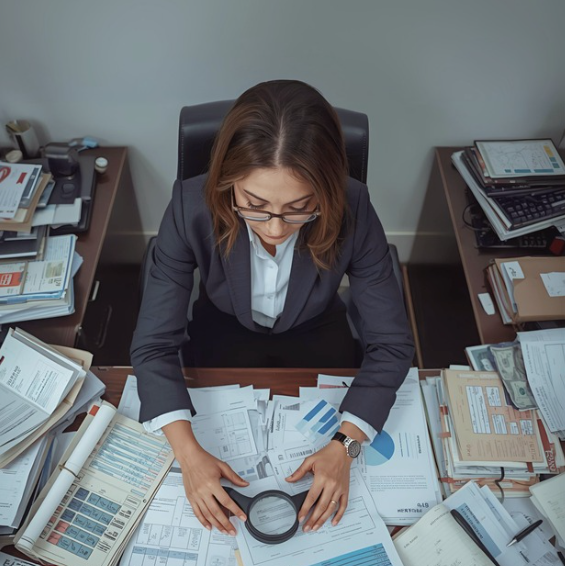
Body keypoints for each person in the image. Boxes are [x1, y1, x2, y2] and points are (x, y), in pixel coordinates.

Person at [131, 79, 414, 537]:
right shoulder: (189, 205)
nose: (277, 229)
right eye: (255, 206)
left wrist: (345, 445)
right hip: (222, 333)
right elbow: (153, 343)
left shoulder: (354, 205)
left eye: (301, 208)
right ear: (228, 181)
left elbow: (392, 344)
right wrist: (188, 455)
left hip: (317, 332)